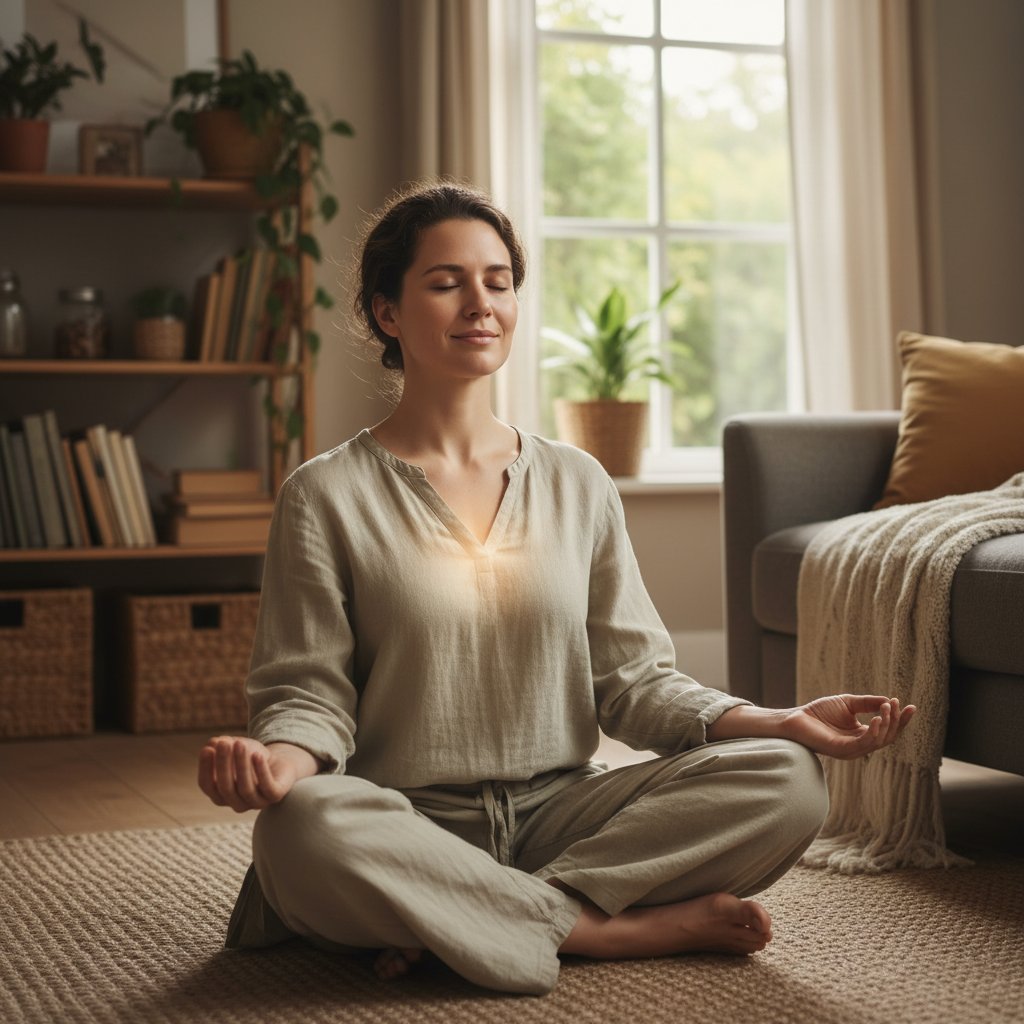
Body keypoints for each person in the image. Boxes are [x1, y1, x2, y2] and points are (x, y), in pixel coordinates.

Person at [197, 181, 915, 996]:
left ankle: (474, 919)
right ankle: (607, 932)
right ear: (387, 313)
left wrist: (783, 719)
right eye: (446, 282)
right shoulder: (324, 494)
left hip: (564, 819)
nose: (481, 303)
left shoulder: (579, 481)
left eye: (498, 281)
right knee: (304, 827)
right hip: (406, 822)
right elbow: (308, 694)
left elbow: (635, 683)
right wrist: (275, 765)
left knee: (786, 778)